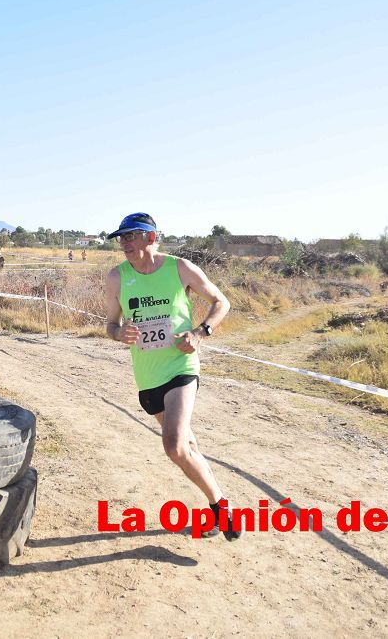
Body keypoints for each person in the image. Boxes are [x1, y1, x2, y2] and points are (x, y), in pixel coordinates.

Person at [104, 212, 239, 541]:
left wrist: (200, 331)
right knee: (188, 447)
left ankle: (221, 510)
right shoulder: (117, 277)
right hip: (147, 377)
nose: (124, 243)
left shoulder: (179, 268)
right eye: (121, 238)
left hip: (181, 368)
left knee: (174, 447)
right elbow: (110, 324)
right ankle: (220, 507)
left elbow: (221, 301)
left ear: (151, 237)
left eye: (131, 236)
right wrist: (118, 333)